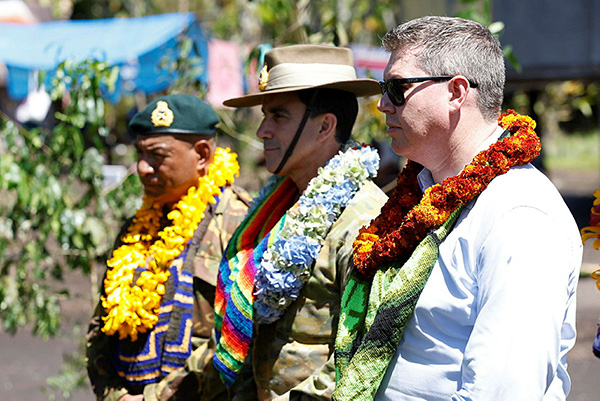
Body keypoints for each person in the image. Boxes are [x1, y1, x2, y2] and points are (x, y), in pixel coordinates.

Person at [334, 16, 583, 401]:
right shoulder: (418, 191)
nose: (383, 104)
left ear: (455, 92)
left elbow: (503, 391)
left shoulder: (520, 215)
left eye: (397, 88)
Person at [207, 44, 387, 400]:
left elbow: (365, 354)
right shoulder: (277, 207)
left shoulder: (365, 221)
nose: (261, 131)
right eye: (264, 116)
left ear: (324, 126)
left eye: (278, 117)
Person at [86, 94, 251, 401]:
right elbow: (100, 326)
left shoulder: (240, 224)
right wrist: (115, 396)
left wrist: (156, 398)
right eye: (140, 155)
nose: (142, 168)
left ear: (202, 155)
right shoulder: (136, 228)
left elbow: (237, 336)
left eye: (158, 156)